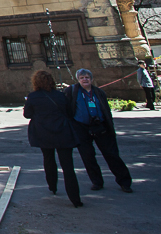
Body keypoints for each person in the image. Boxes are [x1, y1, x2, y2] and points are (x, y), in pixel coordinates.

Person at [64, 68, 133, 192]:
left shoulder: (98, 92)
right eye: (82, 77)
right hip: (81, 127)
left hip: (100, 126)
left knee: (111, 154)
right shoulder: (72, 91)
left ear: (91, 79)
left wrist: (109, 126)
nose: (85, 79)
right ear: (78, 79)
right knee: (88, 156)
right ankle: (97, 181)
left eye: (87, 77)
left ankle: (124, 181)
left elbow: (106, 110)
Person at [23, 70, 83, 208]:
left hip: (44, 132)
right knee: (68, 166)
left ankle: (52, 186)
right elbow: (69, 113)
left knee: (48, 159)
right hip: (63, 131)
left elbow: (27, 115)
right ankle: (75, 199)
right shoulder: (61, 96)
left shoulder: (33, 97)